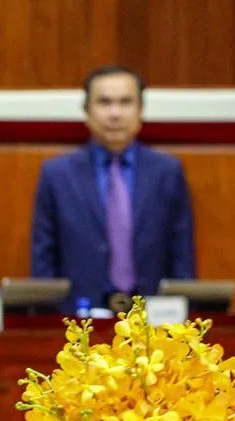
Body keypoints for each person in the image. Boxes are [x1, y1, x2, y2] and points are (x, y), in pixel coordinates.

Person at [30, 65, 195, 312]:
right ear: (86, 111)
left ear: (141, 110)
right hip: (78, 318)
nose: (115, 113)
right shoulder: (57, 174)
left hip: (153, 317)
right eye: (104, 102)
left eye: (125, 102)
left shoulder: (167, 172)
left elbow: (182, 255)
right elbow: (44, 257)